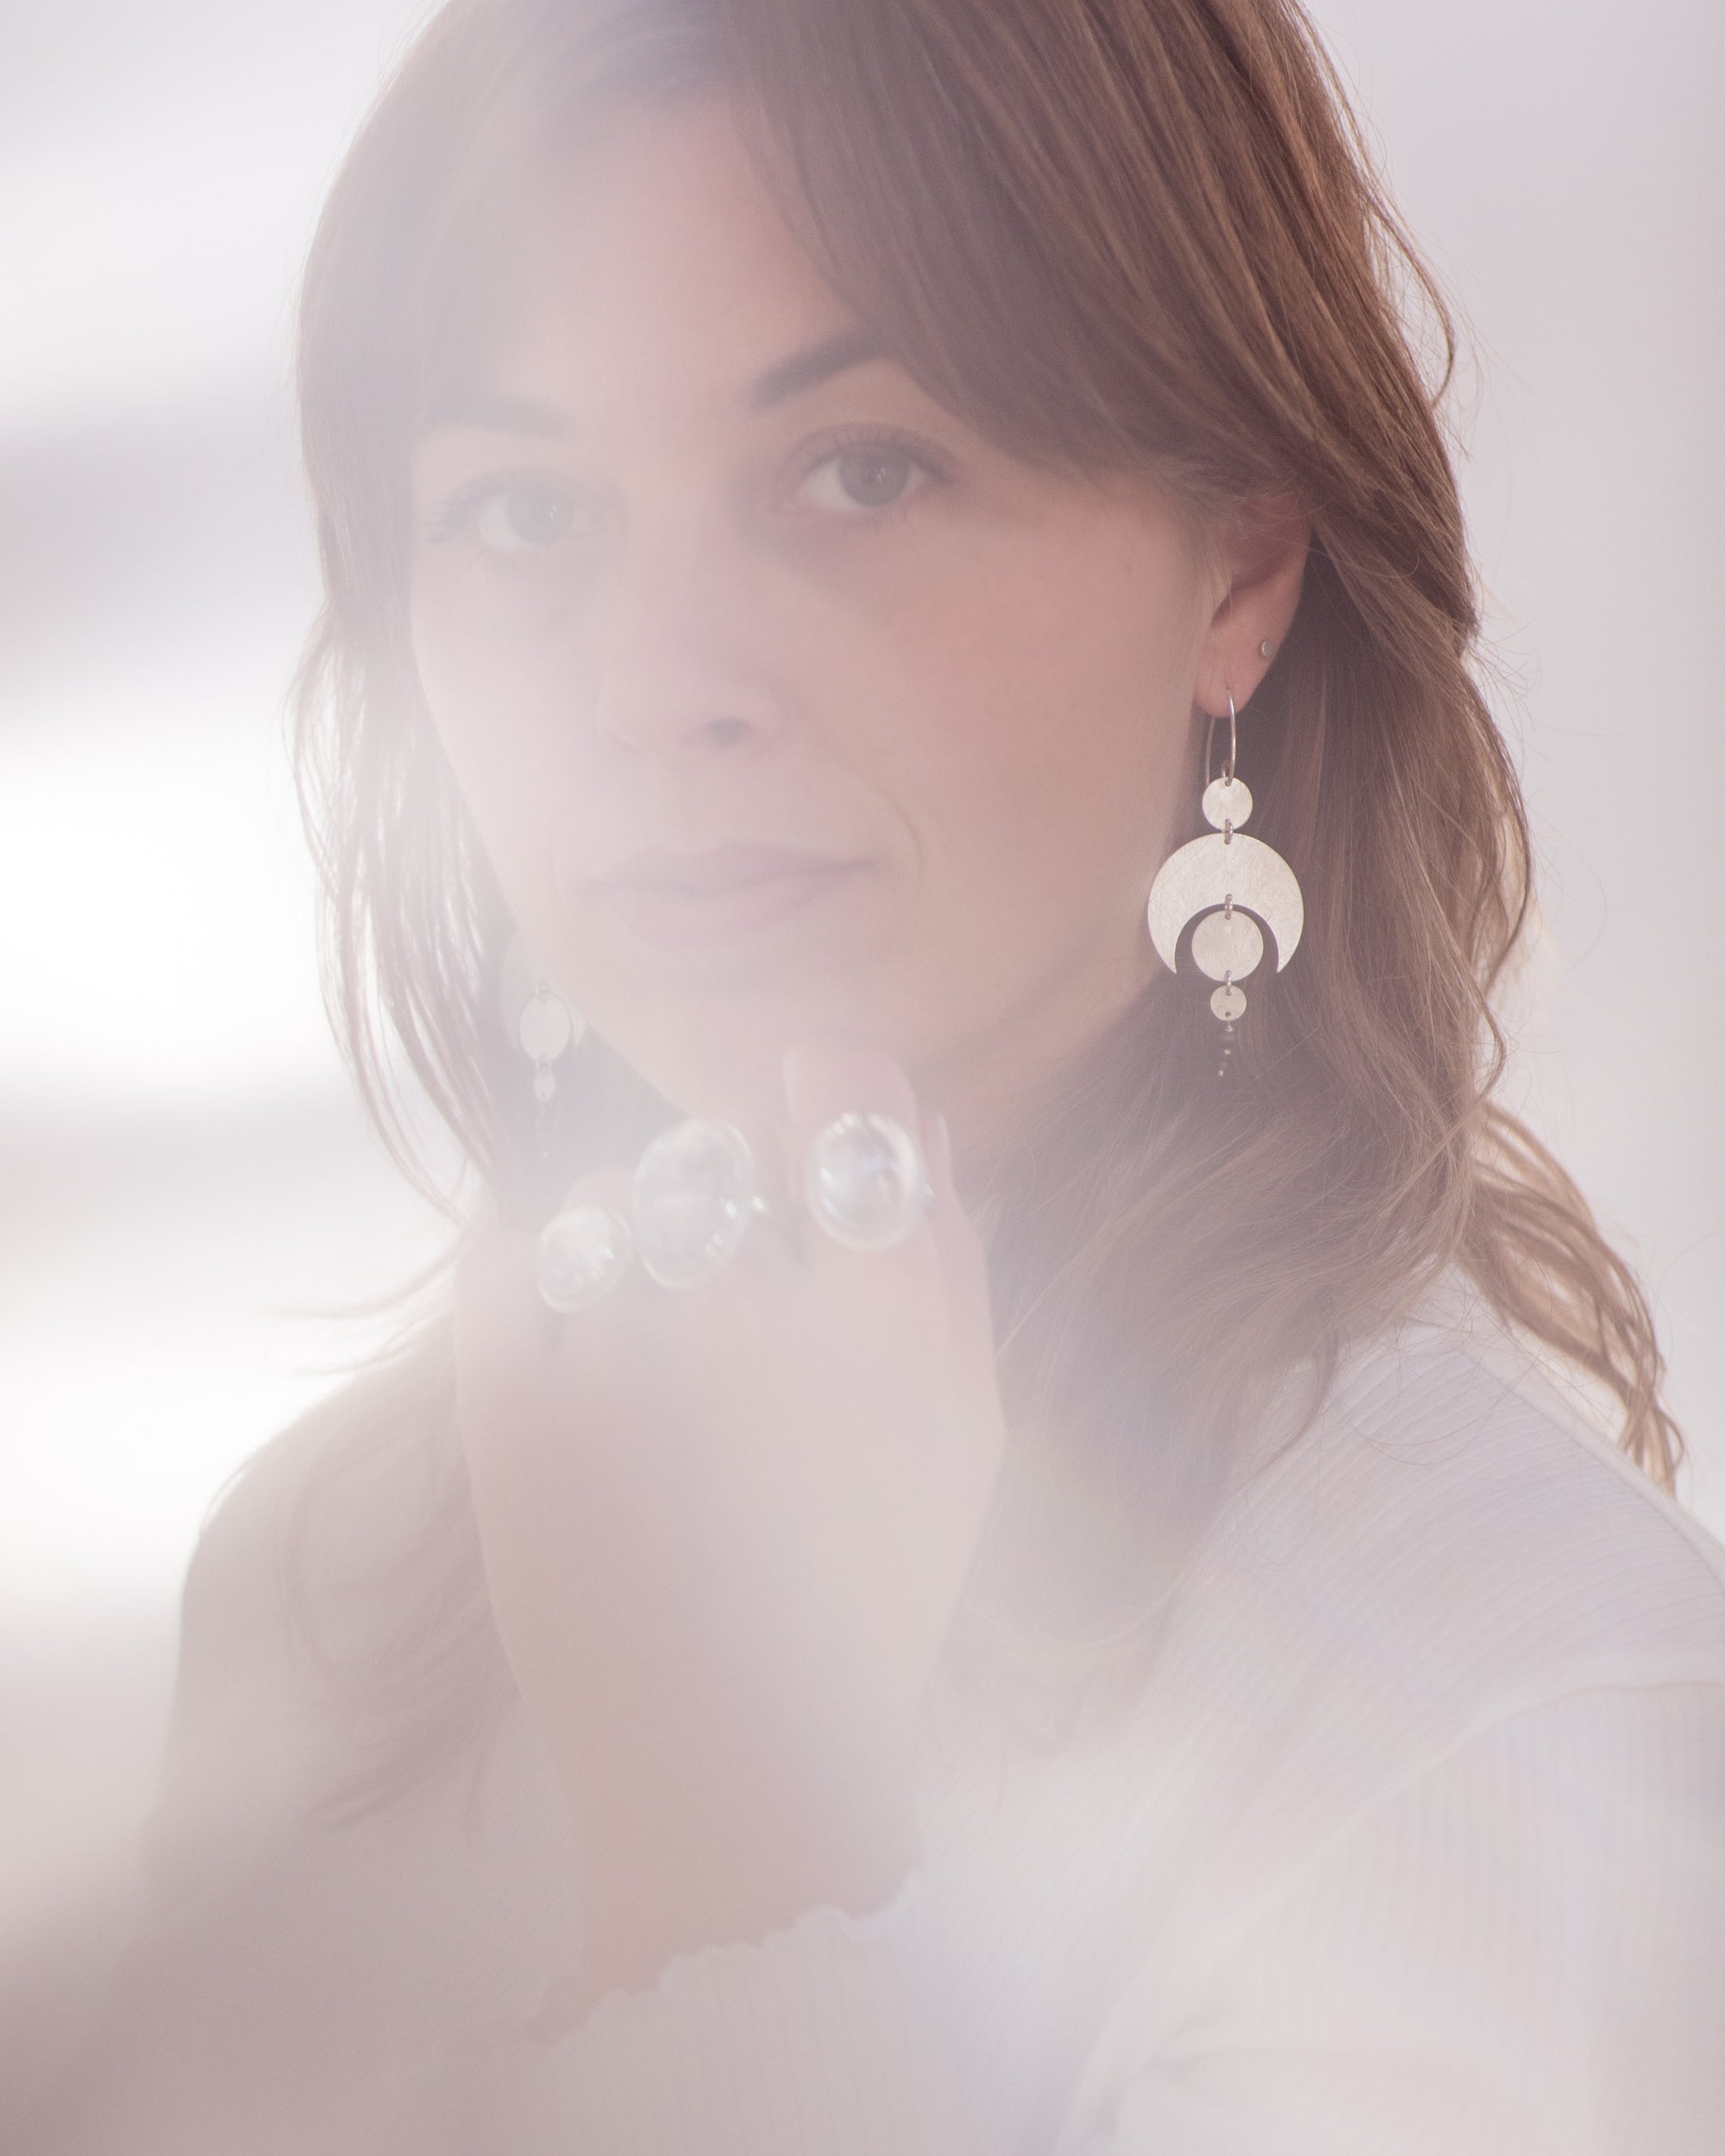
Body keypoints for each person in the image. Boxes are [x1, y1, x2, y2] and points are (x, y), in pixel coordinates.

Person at [18, 0, 1725, 2148]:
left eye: (861, 469)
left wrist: (729, 1878)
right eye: (524, 506)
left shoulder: (1511, 1711)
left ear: (1244, 564)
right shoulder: (325, 1569)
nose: (657, 687)